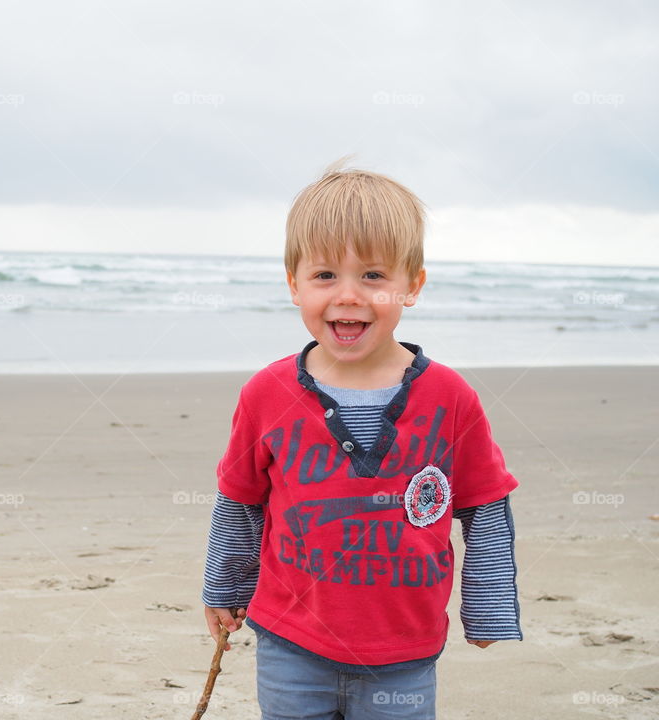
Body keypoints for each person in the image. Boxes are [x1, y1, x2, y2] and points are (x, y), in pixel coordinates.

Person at [201, 160, 522, 719]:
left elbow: (485, 504)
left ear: (412, 285)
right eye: (325, 276)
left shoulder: (450, 397)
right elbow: (241, 500)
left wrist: (489, 605)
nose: (348, 296)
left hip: (405, 652)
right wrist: (225, 588)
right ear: (293, 284)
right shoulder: (267, 393)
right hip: (290, 642)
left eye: (373, 276)